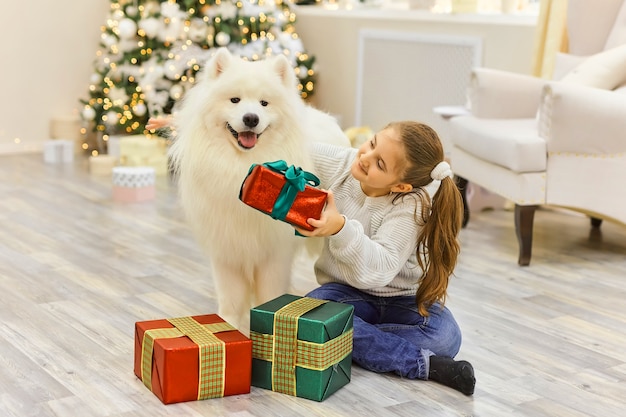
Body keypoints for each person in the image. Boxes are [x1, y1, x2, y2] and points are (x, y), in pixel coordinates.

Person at [295, 120, 476, 396]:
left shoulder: (413, 206)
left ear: (402, 186)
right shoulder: (343, 164)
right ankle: (417, 361)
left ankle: (355, 338)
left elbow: (377, 271)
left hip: (402, 300)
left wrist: (340, 228)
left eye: (380, 164)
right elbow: (294, 148)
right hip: (344, 292)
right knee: (310, 312)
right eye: (371, 143)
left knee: (446, 336)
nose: (365, 157)